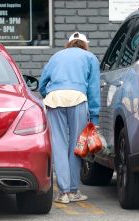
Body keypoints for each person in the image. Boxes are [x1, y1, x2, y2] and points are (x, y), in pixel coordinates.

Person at [39, 32, 100, 204]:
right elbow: (94, 89)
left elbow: (43, 82)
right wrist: (94, 118)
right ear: (84, 44)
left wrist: (48, 95)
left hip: (55, 98)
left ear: (69, 44)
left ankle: (63, 193)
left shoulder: (56, 56)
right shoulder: (90, 57)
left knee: (58, 144)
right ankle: (73, 191)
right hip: (78, 99)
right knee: (77, 145)